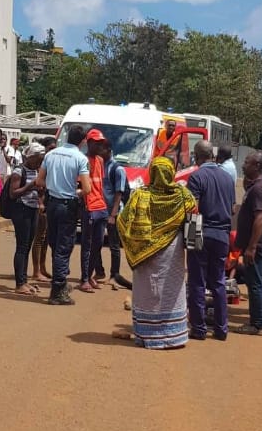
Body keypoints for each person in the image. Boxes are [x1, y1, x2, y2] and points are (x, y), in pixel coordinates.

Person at [116, 156, 196, 349]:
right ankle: (172, 336)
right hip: (173, 252)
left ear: (151, 173)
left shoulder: (139, 196)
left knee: (146, 291)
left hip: (144, 253)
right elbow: (194, 224)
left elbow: (123, 221)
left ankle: (147, 335)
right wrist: (192, 248)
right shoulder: (184, 196)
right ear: (171, 173)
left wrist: (136, 242)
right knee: (171, 289)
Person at [186, 140, 236, 341]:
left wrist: (189, 239)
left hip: (201, 231)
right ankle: (221, 329)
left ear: (197, 156)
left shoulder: (196, 176)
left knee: (197, 282)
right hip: (222, 234)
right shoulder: (227, 178)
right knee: (218, 282)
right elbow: (233, 209)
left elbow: (192, 209)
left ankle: (198, 329)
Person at [36, 125, 91, 305]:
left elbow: (39, 180)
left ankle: (60, 283)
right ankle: (57, 291)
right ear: (83, 141)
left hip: (51, 203)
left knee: (55, 243)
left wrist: (54, 186)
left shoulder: (51, 155)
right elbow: (87, 188)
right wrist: (74, 192)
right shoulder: (80, 158)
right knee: (64, 246)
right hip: (67, 205)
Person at [235, 151, 262, 335]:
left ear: (257, 167)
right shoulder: (259, 185)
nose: (244, 165)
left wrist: (251, 247)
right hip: (260, 242)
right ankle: (260, 320)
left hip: (259, 244)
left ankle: (257, 324)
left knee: (256, 283)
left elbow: (259, 219)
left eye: (247, 162)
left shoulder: (260, 188)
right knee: (258, 281)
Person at [8, 141, 45, 294]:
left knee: (28, 245)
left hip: (33, 209)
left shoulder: (37, 170)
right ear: (30, 157)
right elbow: (13, 193)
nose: (41, 161)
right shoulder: (18, 171)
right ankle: (19, 283)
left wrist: (40, 195)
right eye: (38, 158)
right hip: (21, 210)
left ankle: (24, 280)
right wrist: (31, 185)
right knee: (22, 247)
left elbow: (38, 191)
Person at [79, 129, 109, 293]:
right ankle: (84, 279)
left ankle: (89, 276)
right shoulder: (83, 161)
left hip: (101, 207)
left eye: (101, 143)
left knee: (97, 245)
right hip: (89, 207)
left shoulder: (100, 160)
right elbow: (81, 186)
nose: (99, 146)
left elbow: (100, 185)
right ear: (89, 143)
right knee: (87, 245)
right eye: (97, 143)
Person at [96, 140, 128, 285]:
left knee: (114, 245)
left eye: (101, 149)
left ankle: (114, 275)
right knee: (96, 242)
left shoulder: (117, 169)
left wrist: (113, 215)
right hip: (99, 209)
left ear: (108, 150)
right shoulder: (99, 165)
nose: (98, 151)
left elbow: (118, 193)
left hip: (112, 212)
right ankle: (99, 271)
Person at [31, 135, 55, 284]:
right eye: (50, 149)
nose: (53, 151)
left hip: (49, 202)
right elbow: (38, 185)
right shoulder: (41, 164)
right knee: (39, 238)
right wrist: (41, 203)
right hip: (40, 203)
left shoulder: (50, 163)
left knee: (46, 238)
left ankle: (42, 267)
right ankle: (35, 271)